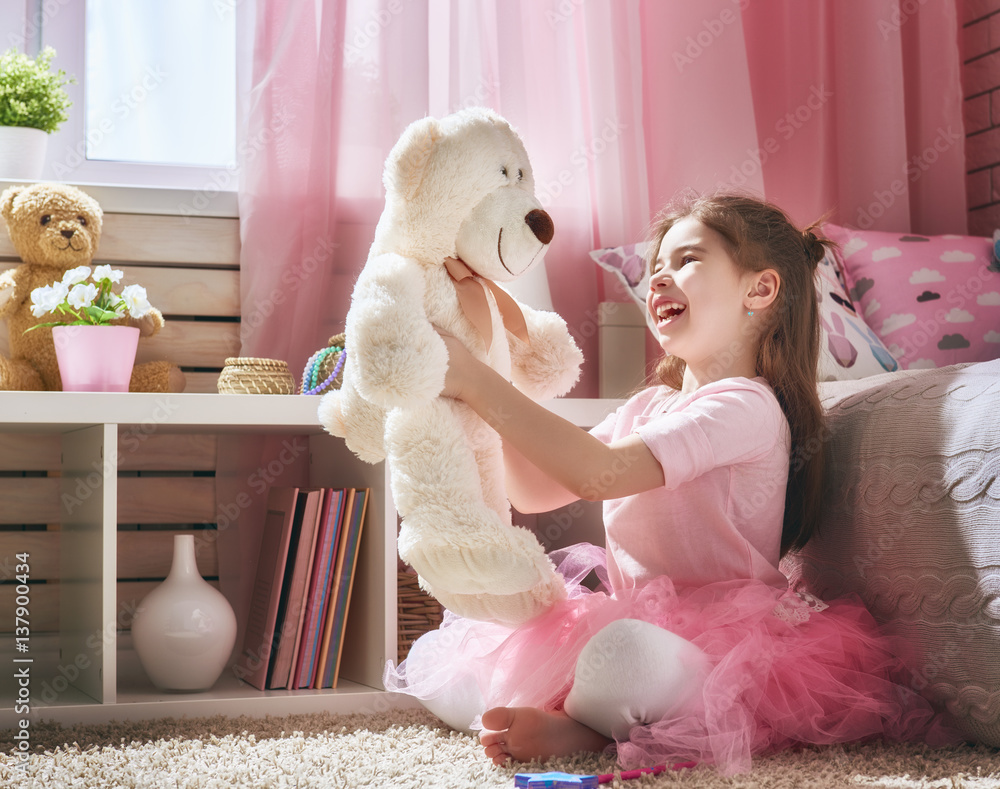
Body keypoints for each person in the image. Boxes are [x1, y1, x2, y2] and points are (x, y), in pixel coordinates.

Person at [383, 192, 960, 776]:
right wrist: (488, 360)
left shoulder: (747, 406)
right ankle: (591, 714)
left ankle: (585, 724)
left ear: (759, 291)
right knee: (445, 662)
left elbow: (590, 472)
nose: (660, 276)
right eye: (657, 265)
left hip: (720, 648)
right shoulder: (649, 405)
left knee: (627, 657)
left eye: (686, 260)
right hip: (627, 616)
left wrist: (480, 383)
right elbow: (535, 490)